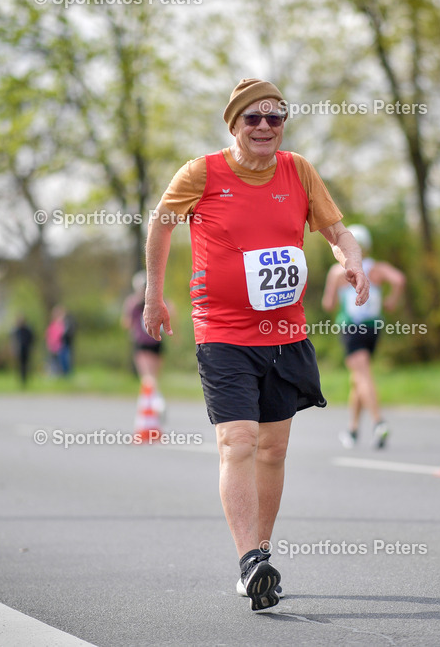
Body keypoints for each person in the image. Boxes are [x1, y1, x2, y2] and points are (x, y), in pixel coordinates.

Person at [142, 79, 369, 611]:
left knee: (273, 448)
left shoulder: (298, 170)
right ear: (234, 124)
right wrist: (155, 296)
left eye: (275, 117)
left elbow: (338, 231)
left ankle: (260, 558)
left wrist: (350, 259)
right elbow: (161, 225)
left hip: (285, 332)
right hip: (222, 330)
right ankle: (249, 562)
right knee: (238, 440)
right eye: (254, 118)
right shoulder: (202, 173)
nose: (265, 126)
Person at [322, 224, 406, 449]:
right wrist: (391, 300)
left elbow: (328, 304)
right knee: (357, 378)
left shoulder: (337, 272)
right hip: (374, 328)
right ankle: (352, 430)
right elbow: (398, 280)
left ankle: (379, 422)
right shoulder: (377, 269)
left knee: (362, 375)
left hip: (352, 328)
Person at [123, 271, 166, 409]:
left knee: (147, 377)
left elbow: (126, 323)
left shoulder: (133, 303)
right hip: (157, 341)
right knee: (152, 377)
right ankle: (152, 402)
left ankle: (154, 403)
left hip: (142, 343)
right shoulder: (159, 301)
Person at [12, 316, 34, 388]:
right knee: (19, 366)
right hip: (19, 350)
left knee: (26, 365)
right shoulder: (16, 331)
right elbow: (14, 341)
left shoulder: (28, 330)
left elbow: (31, 339)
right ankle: (20, 379)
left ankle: (26, 379)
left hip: (26, 350)